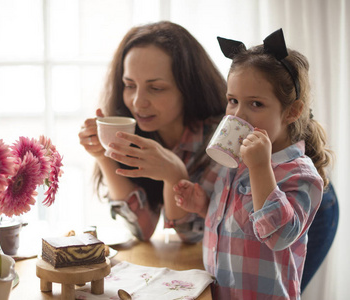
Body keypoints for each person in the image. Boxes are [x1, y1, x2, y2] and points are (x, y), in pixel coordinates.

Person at [173, 29, 334, 299]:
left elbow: (279, 235)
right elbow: (236, 224)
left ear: (292, 111)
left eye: (256, 104)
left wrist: (261, 169)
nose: (238, 114)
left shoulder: (301, 175)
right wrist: (204, 206)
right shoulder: (234, 159)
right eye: (233, 101)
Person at [78, 21, 227, 242]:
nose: (138, 102)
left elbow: (192, 234)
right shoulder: (134, 131)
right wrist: (103, 156)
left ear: (188, 87)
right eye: (129, 85)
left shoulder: (221, 139)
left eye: (156, 88)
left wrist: (174, 175)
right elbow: (141, 229)